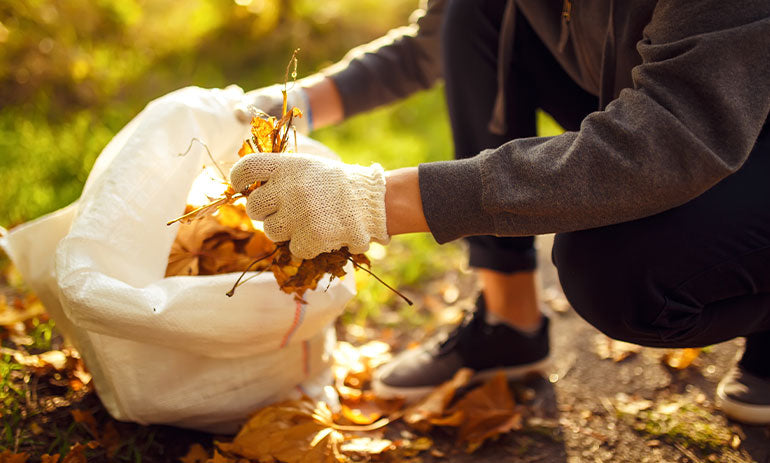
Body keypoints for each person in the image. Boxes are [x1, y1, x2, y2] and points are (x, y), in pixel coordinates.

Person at [230, 0, 770, 424]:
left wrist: (377, 200)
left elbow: (670, 137)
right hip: (678, 109)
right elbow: (434, 42)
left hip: (723, 127)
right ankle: (507, 322)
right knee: (476, 9)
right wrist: (282, 106)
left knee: (618, 271)